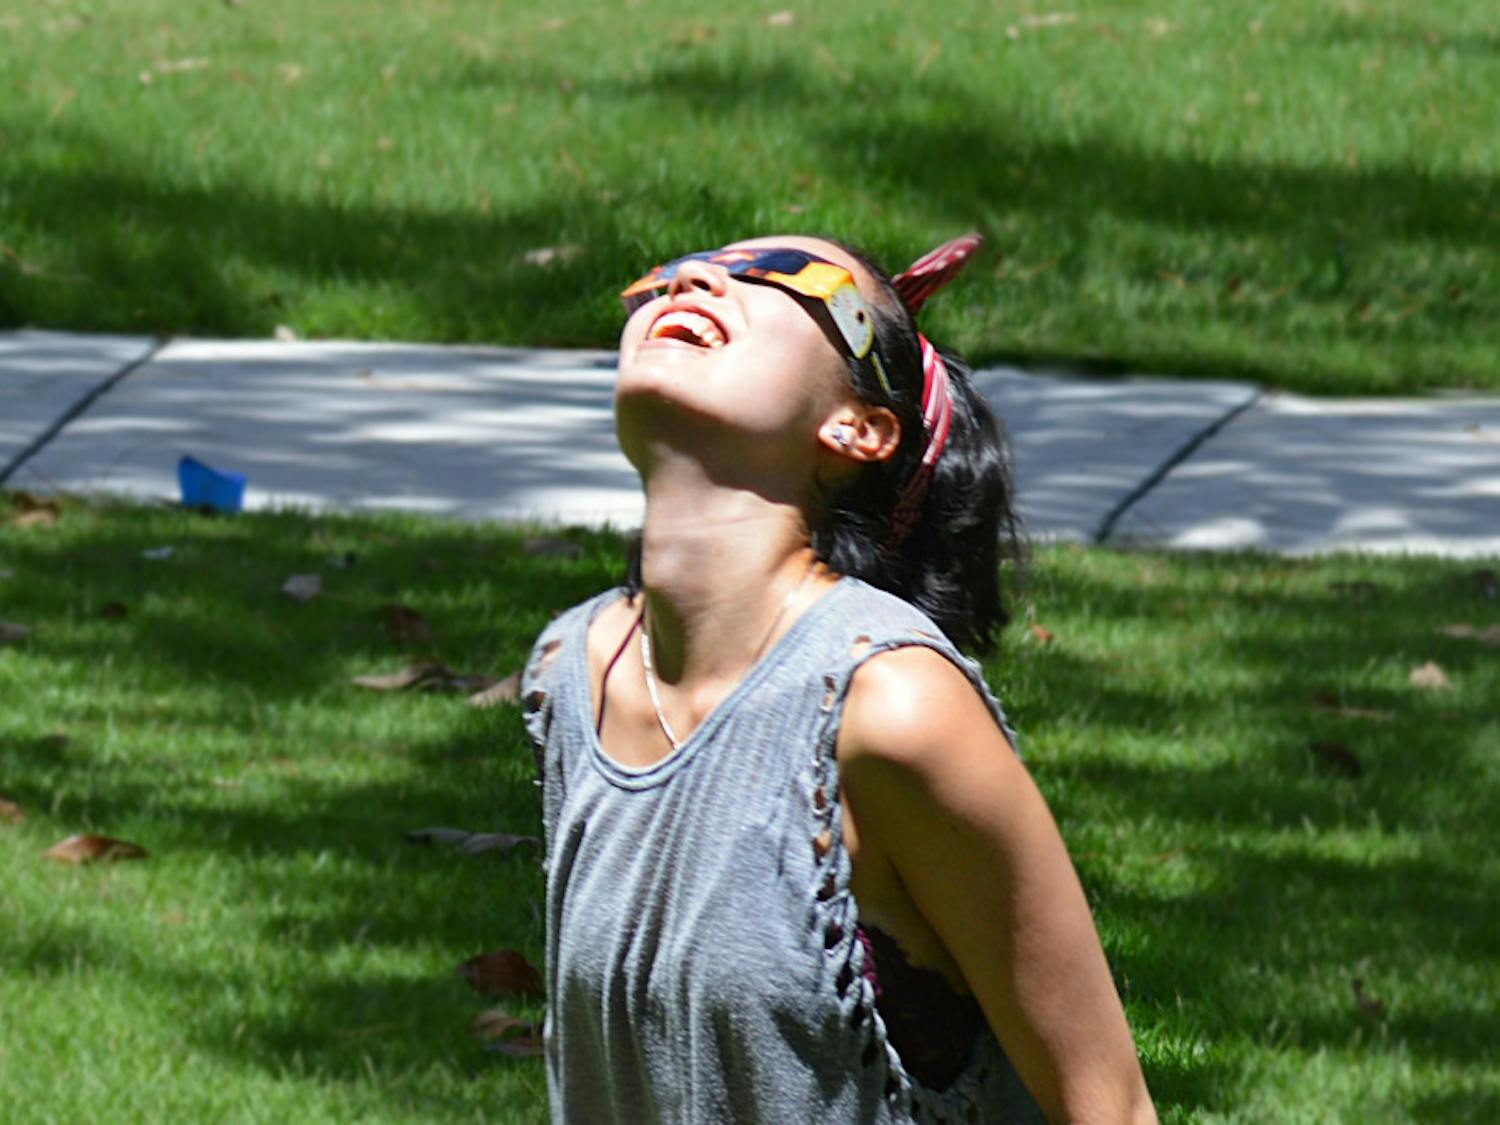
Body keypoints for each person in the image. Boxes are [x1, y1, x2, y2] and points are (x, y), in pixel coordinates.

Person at [521, 232, 1157, 1123]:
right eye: (669, 274)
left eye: (780, 275)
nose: (692, 278)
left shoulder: (888, 706)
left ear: (857, 426)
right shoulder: (575, 669)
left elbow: (1110, 1105)